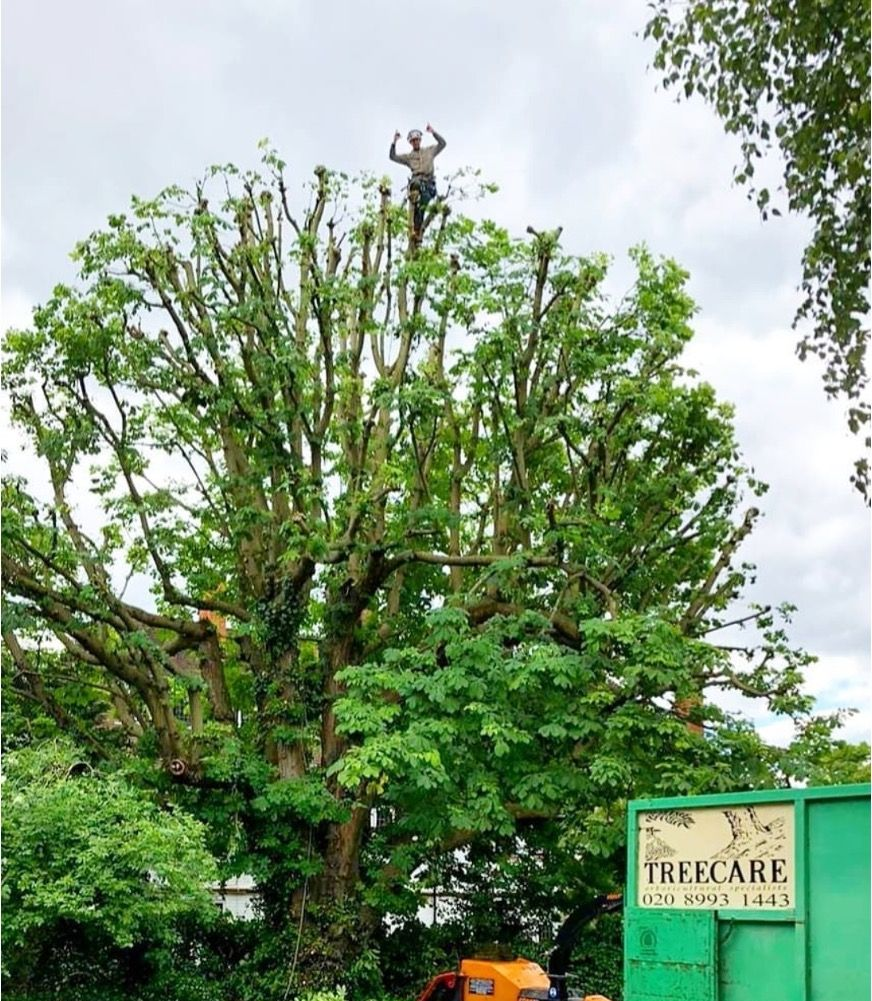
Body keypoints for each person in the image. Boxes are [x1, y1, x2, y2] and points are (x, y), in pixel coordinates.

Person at [389, 124, 447, 234]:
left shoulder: (429, 151)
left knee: (422, 208)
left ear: (420, 140)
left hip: (429, 184)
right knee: (415, 191)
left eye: (417, 140)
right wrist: (394, 142)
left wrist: (433, 132)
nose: (415, 142)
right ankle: (415, 228)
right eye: (413, 141)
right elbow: (393, 157)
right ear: (411, 143)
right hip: (417, 182)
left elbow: (443, 144)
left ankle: (418, 228)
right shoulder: (409, 157)